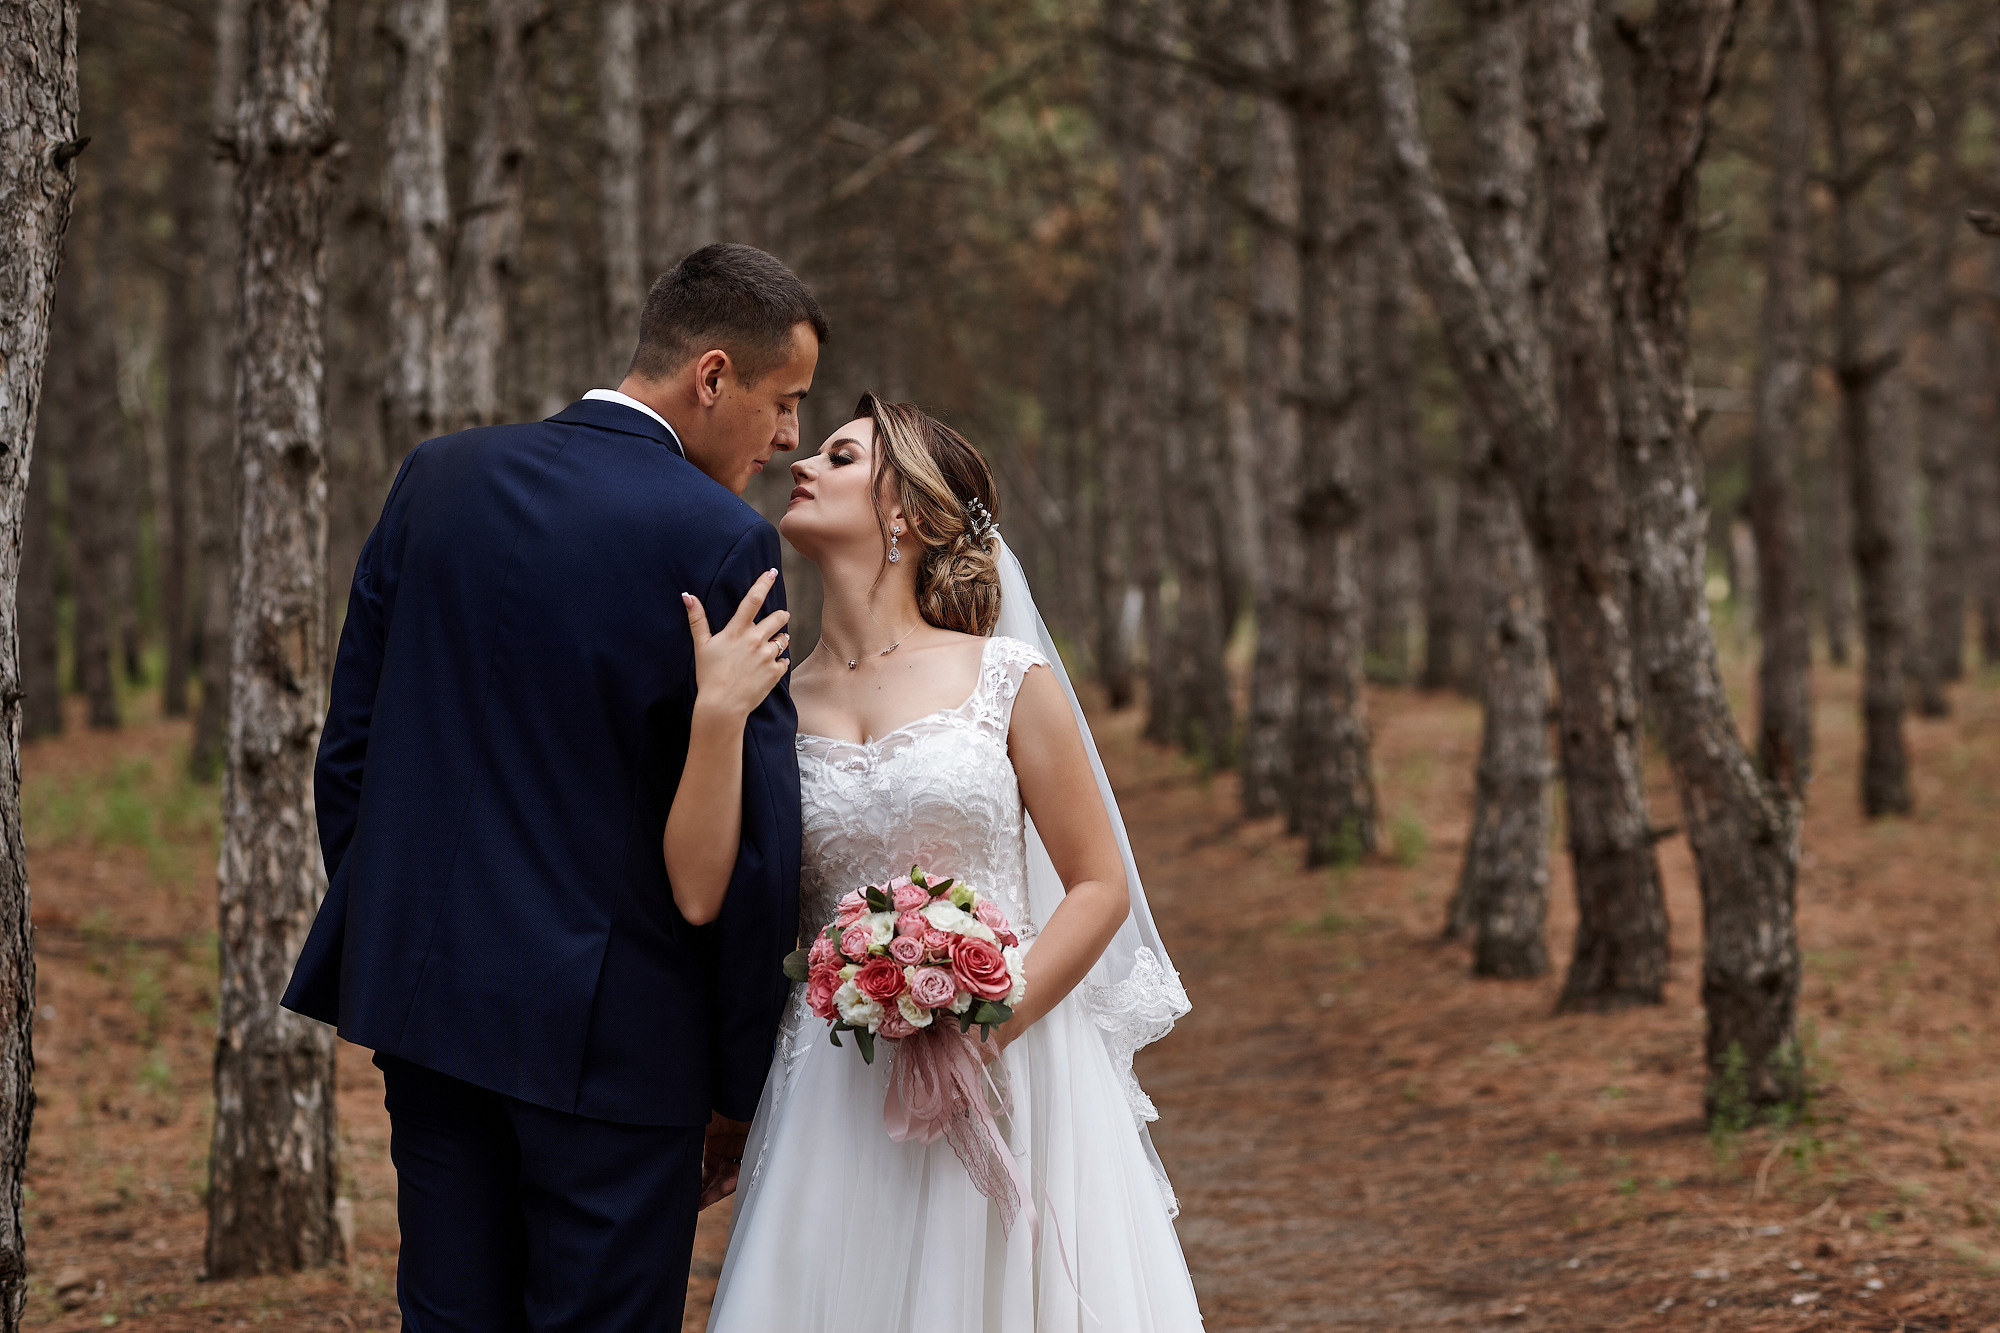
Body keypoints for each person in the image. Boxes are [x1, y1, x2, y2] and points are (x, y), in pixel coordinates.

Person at [280, 243, 818, 1332]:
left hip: (430, 1018)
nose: (789, 438)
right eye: (783, 401)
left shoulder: (438, 477)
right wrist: (732, 1080)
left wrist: (406, 941)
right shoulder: (719, 540)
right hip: (618, 1049)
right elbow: (756, 853)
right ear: (711, 377)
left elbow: (352, 756)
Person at [698, 395, 1204, 1330]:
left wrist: (988, 1019)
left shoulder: (1006, 679)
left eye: (841, 456)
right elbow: (723, 890)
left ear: (908, 515)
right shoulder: (770, 697)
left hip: (1011, 1056)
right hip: (836, 1076)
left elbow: (1098, 885)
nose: (801, 462)